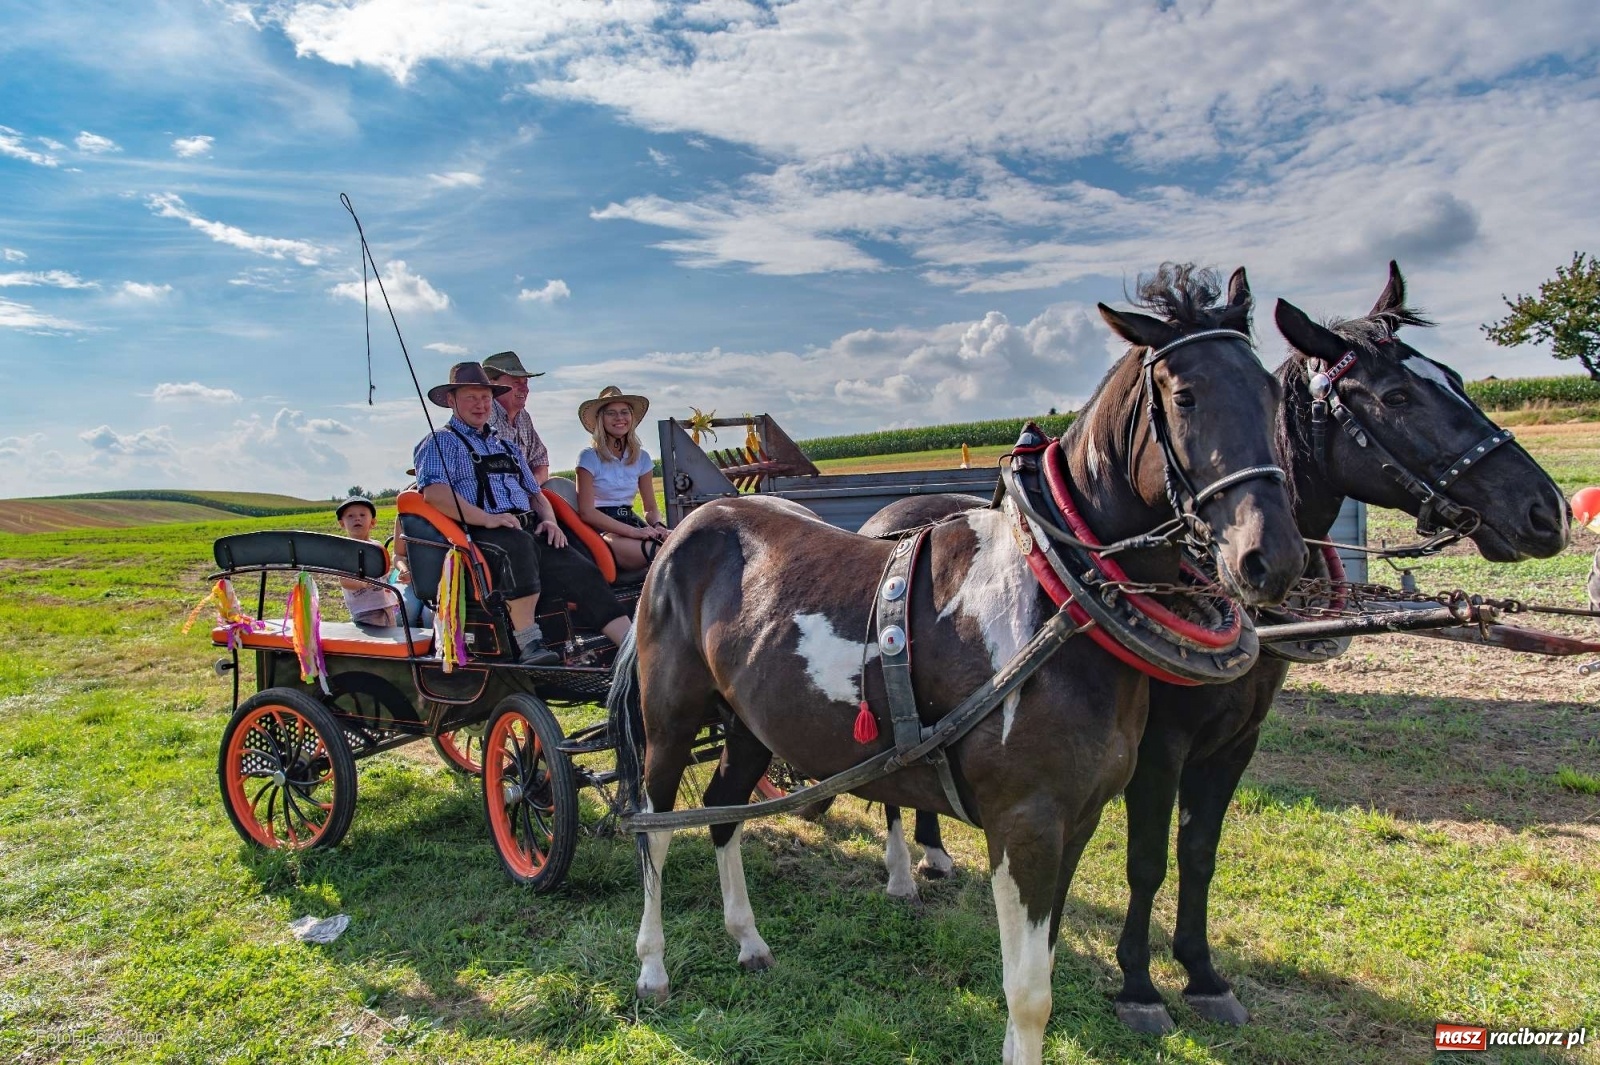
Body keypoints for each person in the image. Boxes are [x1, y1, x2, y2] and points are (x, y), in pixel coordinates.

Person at [413, 362, 630, 665]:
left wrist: (551, 522)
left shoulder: (506, 446)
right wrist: (487, 518)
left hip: (524, 527)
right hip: (479, 534)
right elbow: (434, 493)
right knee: (519, 546)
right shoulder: (440, 443)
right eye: (471, 398)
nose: (480, 405)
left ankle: (632, 648)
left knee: (582, 568)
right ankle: (529, 642)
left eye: (485, 398)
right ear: (451, 401)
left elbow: (536, 495)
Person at [575, 386, 669, 572]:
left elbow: (650, 508)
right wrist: (635, 532)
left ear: (631, 418)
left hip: (631, 522)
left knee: (688, 543)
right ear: (601, 419)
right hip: (603, 529)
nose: (619, 418)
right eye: (611, 413)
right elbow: (587, 512)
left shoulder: (642, 458)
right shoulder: (589, 457)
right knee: (665, 554)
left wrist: (658, 525)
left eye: (624, 412)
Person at [483, 350, 550, 484]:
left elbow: (540, 460)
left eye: (525, 382)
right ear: (493, 384)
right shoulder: (482, 416)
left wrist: (531, 486)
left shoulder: (523, 417)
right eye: (516, 382)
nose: (525, 389)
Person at [335, 496, 400, 627]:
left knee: (390, 641)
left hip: (386, 605)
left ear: (373, 522)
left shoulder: (377, 547)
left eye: (362, 515)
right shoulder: (345, 551)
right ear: (342, 523)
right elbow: (344, 581)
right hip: (365, 610)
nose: (357, 518)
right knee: (374, 642)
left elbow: (384, 574)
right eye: (350, 516)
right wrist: (364, 583)